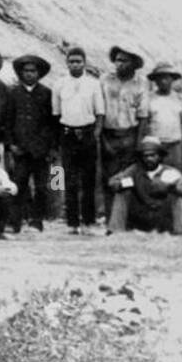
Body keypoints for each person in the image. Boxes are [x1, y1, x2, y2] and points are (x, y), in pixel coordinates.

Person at [52, 47, 105, 234]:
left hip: (88, 133)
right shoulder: (59, 84)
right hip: (67, 134)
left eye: (78, 61)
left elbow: (100, 112)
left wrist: (96, 134)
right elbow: (56, 114)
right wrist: (59, 139)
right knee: (68, 180)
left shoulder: (93, 84)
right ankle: (72, 223)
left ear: (84, 63)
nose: (75, 65)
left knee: (89, 179)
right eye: (72, 61)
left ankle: (89, 222)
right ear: (67, 63)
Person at [3, 54, 56, 233]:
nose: (29, 74)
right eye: (25, 71)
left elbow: (51, 123)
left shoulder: (47, 93)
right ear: (20, 73)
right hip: (20, 150)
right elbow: (8, 121)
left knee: (42, 186)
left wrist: (48, 147)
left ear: (39, 73)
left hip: (40, 150)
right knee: (18, 184)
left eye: (33, 71)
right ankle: (15, 221)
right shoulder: (12, 93)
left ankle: (37, 220)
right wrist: (10, 145)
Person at [101, 46, 149, 228]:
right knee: (108, 178)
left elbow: (143, 115)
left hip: (130, 134)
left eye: (124, 61)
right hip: (109, 135)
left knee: (127, 179)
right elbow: (99, 110)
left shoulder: (140, 83)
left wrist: (138, 143)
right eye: (117, 60)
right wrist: (103, 139)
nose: (119, 64)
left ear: (133, 64)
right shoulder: (105, 80)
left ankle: (126, 221)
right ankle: (109, 222)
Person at [107, 136, 182, 234]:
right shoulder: (134, 170)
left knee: (177, 196)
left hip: (162, 217)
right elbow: (112, 182)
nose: (149, 159)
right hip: (141, 215)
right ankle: (115, 231)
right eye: (145, 156)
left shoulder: (169, 172)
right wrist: (124, 183)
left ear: (160, 156)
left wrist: (173, 187)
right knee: (121, 192)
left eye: (153, 155)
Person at [145, 63, 182, 169]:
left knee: (174, 174)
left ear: (172, 79)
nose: (163, 81)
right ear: (155, 81)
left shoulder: (180, 98)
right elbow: (145, 122)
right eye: (160, 78)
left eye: (166, 77)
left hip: (174, 145)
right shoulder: (148, 98)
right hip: (155, 144)